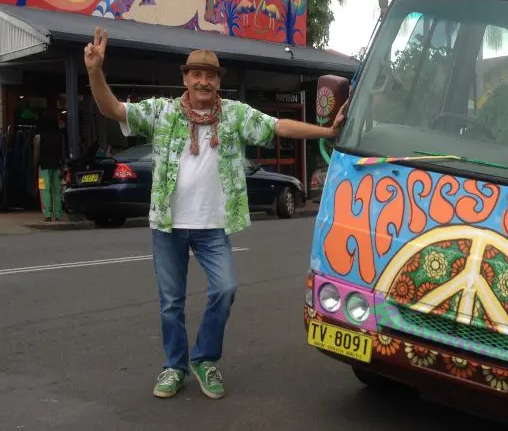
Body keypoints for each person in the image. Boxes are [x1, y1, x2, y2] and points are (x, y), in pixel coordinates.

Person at [83, 27, 349, 400]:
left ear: (217, 83)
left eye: (210, 76)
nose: (203, 81)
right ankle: (174, 366)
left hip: (212, 228)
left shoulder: (235, 116)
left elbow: (278, 125)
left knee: (225, 288)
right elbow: (113, 109)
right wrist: (95, 71)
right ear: (185, 79)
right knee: (170, 302)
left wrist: (324, 132)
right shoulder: (162, 112)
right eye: (197, 75)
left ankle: (205, 360)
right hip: (168, 226)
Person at [33, 107, 67, 222]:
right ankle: (58, 214)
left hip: (43, 167)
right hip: (57, 166)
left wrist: (34, 165)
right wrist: (63, 166)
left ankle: (47, 214)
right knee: (57, 190)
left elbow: (36, 154)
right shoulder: (60, 136)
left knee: (44, 190)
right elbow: (62, 153)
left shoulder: (38, 137)